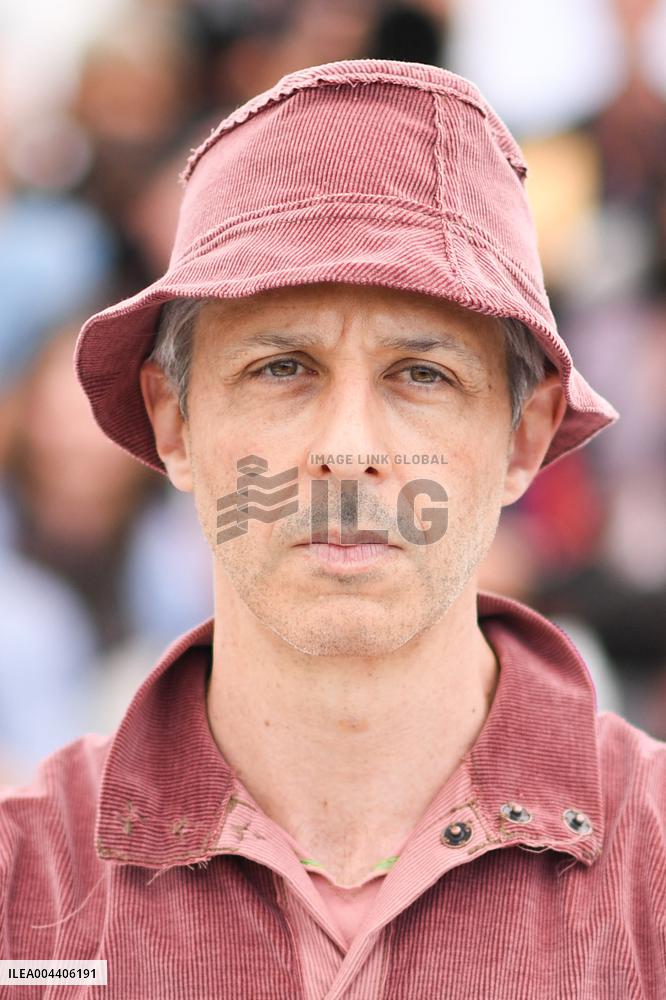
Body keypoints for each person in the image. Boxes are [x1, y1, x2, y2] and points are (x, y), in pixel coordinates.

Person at [1, 59, 664, 999]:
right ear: (173, 420)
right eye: (282, 367)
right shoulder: (20, 892)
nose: (348, 451)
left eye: (422, 374)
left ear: (525, 436)